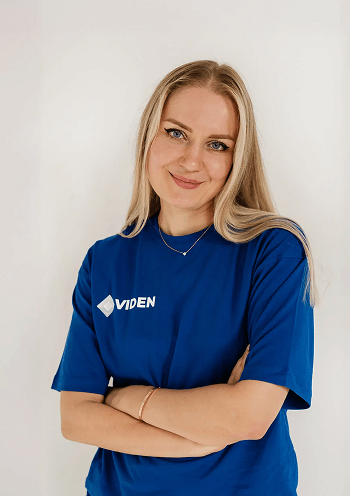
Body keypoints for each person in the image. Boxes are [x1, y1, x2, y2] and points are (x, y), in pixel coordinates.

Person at [51, 59, 318, 496]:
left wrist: (126, 398)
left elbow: (248, 416)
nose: (191, 160)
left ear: (238, 159)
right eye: (176, 133)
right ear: (148, 136)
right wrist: (196, 442)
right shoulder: (105, 261)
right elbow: (76, 417)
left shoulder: (274, 251)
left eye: (217, 144)